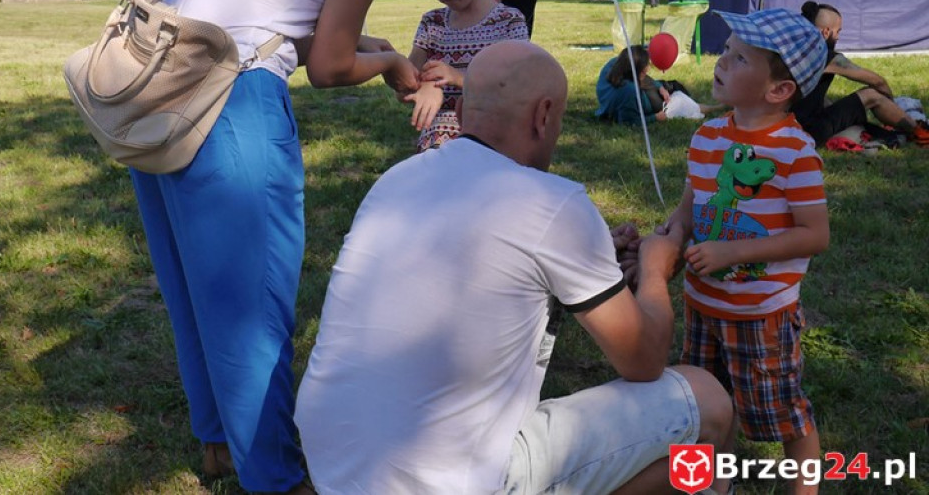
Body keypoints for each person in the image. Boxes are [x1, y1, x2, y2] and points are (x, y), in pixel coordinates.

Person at [124, 0, 445, 492]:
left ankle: (219, 443)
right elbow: (327, 65)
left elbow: (289, 26)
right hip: (231, 104)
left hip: (159, 95)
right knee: (254, 301)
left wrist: (379, 49)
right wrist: (389, 64)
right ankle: (274, 476)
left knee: (193, 288)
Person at [296, 40, 735, 495]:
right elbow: (643, 360)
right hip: (451, 481)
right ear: (544, 115)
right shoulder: (552, 201)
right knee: (706, 399)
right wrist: (656, 271)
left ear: (462, 111)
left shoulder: (396, 180)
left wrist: (591, 255)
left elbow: (491, 258)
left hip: (337, 466)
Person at [661, 8, 831, 495]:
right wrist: (673, 230)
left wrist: (733, 253)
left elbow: (814, 235)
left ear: (778, 90)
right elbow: (692, 203)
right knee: (702, 404)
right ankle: (712, 485)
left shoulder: (795, 152)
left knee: (783, 411)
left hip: (761, 315)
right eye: (726, 50)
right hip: (703, 305)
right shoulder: (708, 136)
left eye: (739, 58)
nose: (722, 60)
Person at [401, 0, 528, 151]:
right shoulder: (433, 23)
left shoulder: (509, 22)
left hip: (492, 150)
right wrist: (422, 87)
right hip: (437, 154)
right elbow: (405, 85)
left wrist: (458, 78)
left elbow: (518, 89)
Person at [795, 0, 929, 148]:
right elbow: (878, 82)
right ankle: (919, 131)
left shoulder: (794, 51)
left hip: (790, 127)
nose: (838, 37)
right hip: (811, 131)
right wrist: (892, 105)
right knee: (870, 94)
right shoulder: (825, 56)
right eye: (838, 31)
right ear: (826, 32)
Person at [595, 46, 717, 124]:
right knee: (681, 100)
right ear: (636, 71)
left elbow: (643, 79)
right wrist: (655, 118)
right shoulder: (629, 92)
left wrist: (659, 86)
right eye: (644, 69)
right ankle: (714, 107)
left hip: (644, 94)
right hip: (651, 104)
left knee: (672, 85)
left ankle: (699, 105)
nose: (648, 69)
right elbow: (628, 121)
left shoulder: (615, 65)